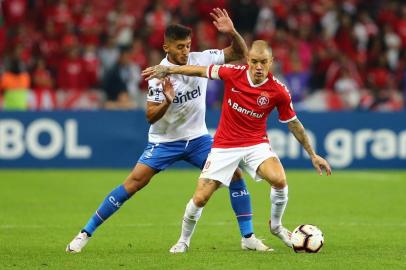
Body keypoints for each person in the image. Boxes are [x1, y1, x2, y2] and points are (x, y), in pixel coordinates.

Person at [67, 9, 270, 253]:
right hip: (164, 142)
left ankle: (248, 237)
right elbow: (150, 116)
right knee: (132, 184)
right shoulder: (157, 75)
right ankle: (84, 234)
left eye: (188, 45)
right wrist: (166, 100)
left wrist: (232, 31)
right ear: (167, 47)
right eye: (180, 47)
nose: (185, 51)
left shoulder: (201, 59)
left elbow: (240, 53)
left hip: (198, 139)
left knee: (236, 175)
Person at [142, 40, 332, 252]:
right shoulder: (233, 73)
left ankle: (276, 226)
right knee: (201, 197)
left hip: (255, 144)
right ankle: (183, 240)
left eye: (263, 62)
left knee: (279, 179)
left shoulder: (278, 91)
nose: (258, 67)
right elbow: (200, 70)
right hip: (225, 145)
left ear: (272, 62)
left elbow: (294, 124)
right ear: (248, 60)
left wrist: (313, 154)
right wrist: (168, 69)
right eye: (254, 61)